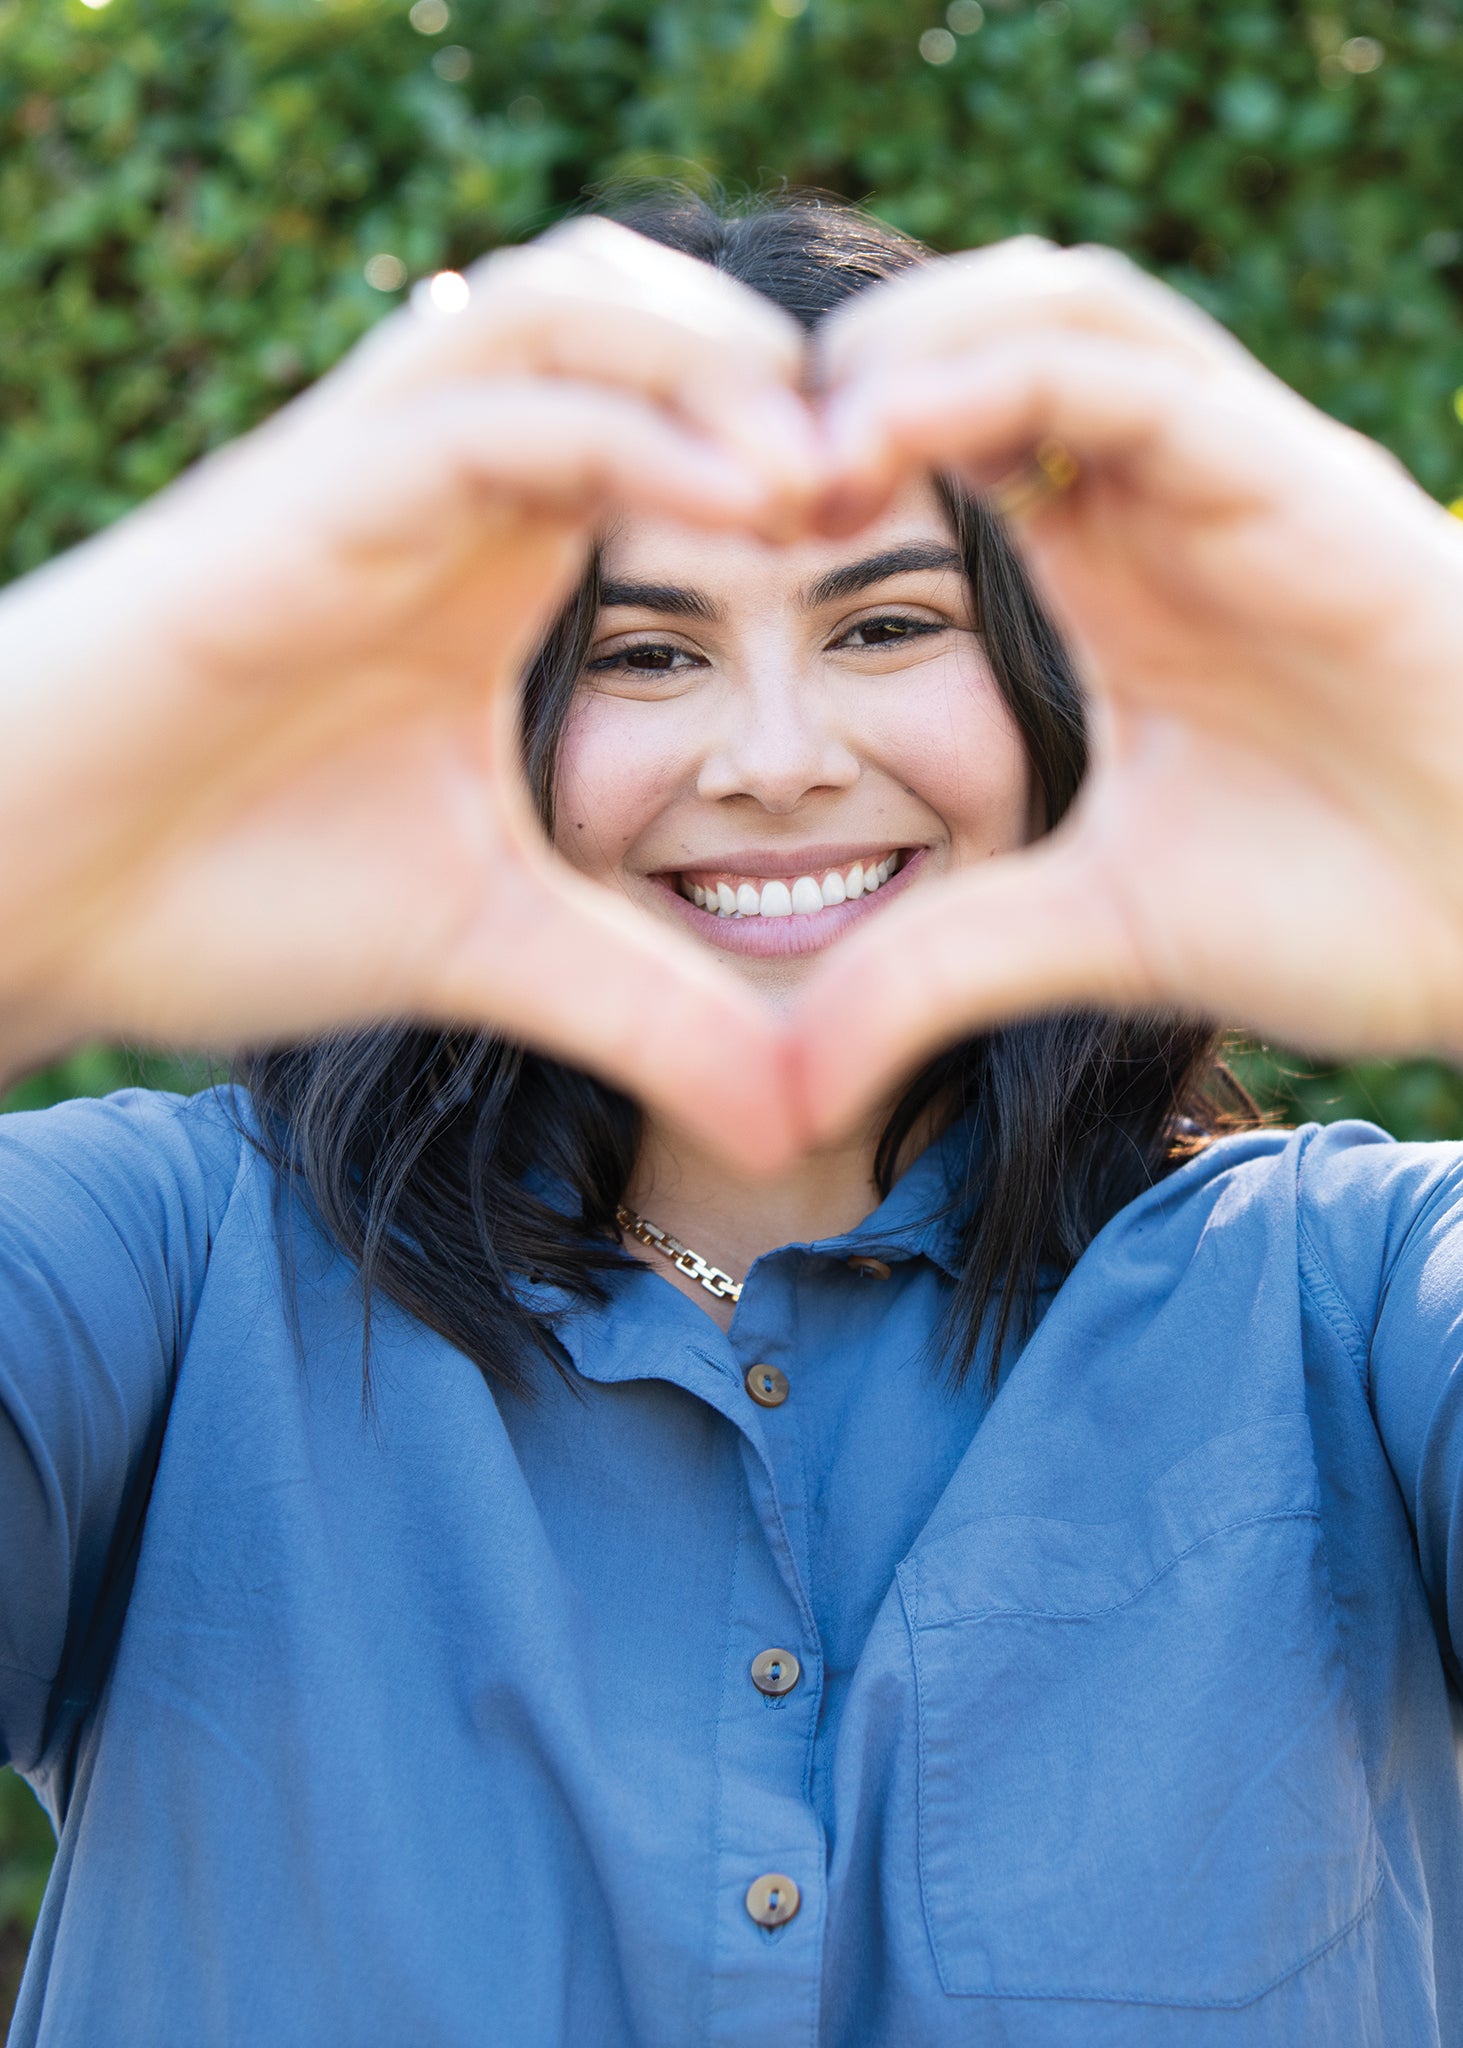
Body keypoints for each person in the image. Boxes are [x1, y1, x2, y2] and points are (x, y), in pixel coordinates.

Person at [2, 187, 1463, 2047]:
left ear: (1045, 691)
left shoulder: (1362, 1301)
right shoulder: (157, 1279)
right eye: (643, 652)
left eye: (886, 626)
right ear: (494, 722)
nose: (777, 759)